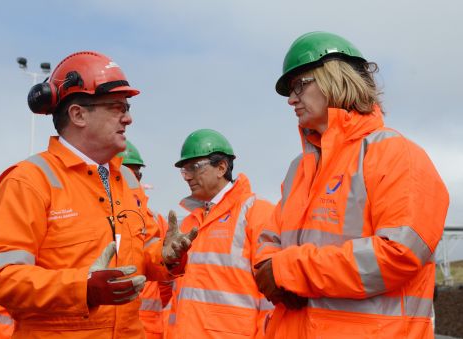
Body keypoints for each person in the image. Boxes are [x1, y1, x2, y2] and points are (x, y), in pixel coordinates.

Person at [254, 31, 449, 338]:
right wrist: (269, 269)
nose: (291, 99)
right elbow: (269, 238)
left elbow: (400, 253)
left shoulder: (396, 154)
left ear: (336, 77)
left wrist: (289, 271)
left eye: (299, 85)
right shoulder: (300, 168)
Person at [0, 51, 197, 339]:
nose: (128, 118)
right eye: (116, 107)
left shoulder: (126, 179)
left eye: (126, 107)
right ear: (78, 114)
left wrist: (167, 256)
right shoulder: (29, 181)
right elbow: (3, 278)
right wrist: (83, 287)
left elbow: (146, 249)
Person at [166, 129, 275, 339]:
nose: (187, 176)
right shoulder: (188, 223)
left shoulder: (256, 213)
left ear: (221, 167)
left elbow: (270, 298)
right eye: (184, 170)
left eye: (193, 167)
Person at [117, 140, 172, 339]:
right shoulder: (96, 215)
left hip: (148, 328)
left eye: (137, 173)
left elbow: (167, 278)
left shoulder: (156, 220)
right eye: (126, 172)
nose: (133, 179)